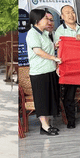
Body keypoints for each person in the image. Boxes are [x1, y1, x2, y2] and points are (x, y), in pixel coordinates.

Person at [54, 4, 80, 128]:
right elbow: (58, 47)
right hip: (69, 67)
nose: (71, 14)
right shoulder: (60, 30)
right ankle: (71, 120)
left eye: (72, 12)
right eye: (67, 12)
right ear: (62, 16)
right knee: (69, 95)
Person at [26, 8, 61, 136]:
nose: (48, 20)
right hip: (39, 72)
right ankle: (45, 126)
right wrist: (54, 58)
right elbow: (38, 51)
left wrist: (54, 46)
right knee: (42, 100)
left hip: (50, 70)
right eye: (45, 18)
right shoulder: (32, 34)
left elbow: (47, 47)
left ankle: (47, 124)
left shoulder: (45, 33)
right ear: (37, 20)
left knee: (49, 99)